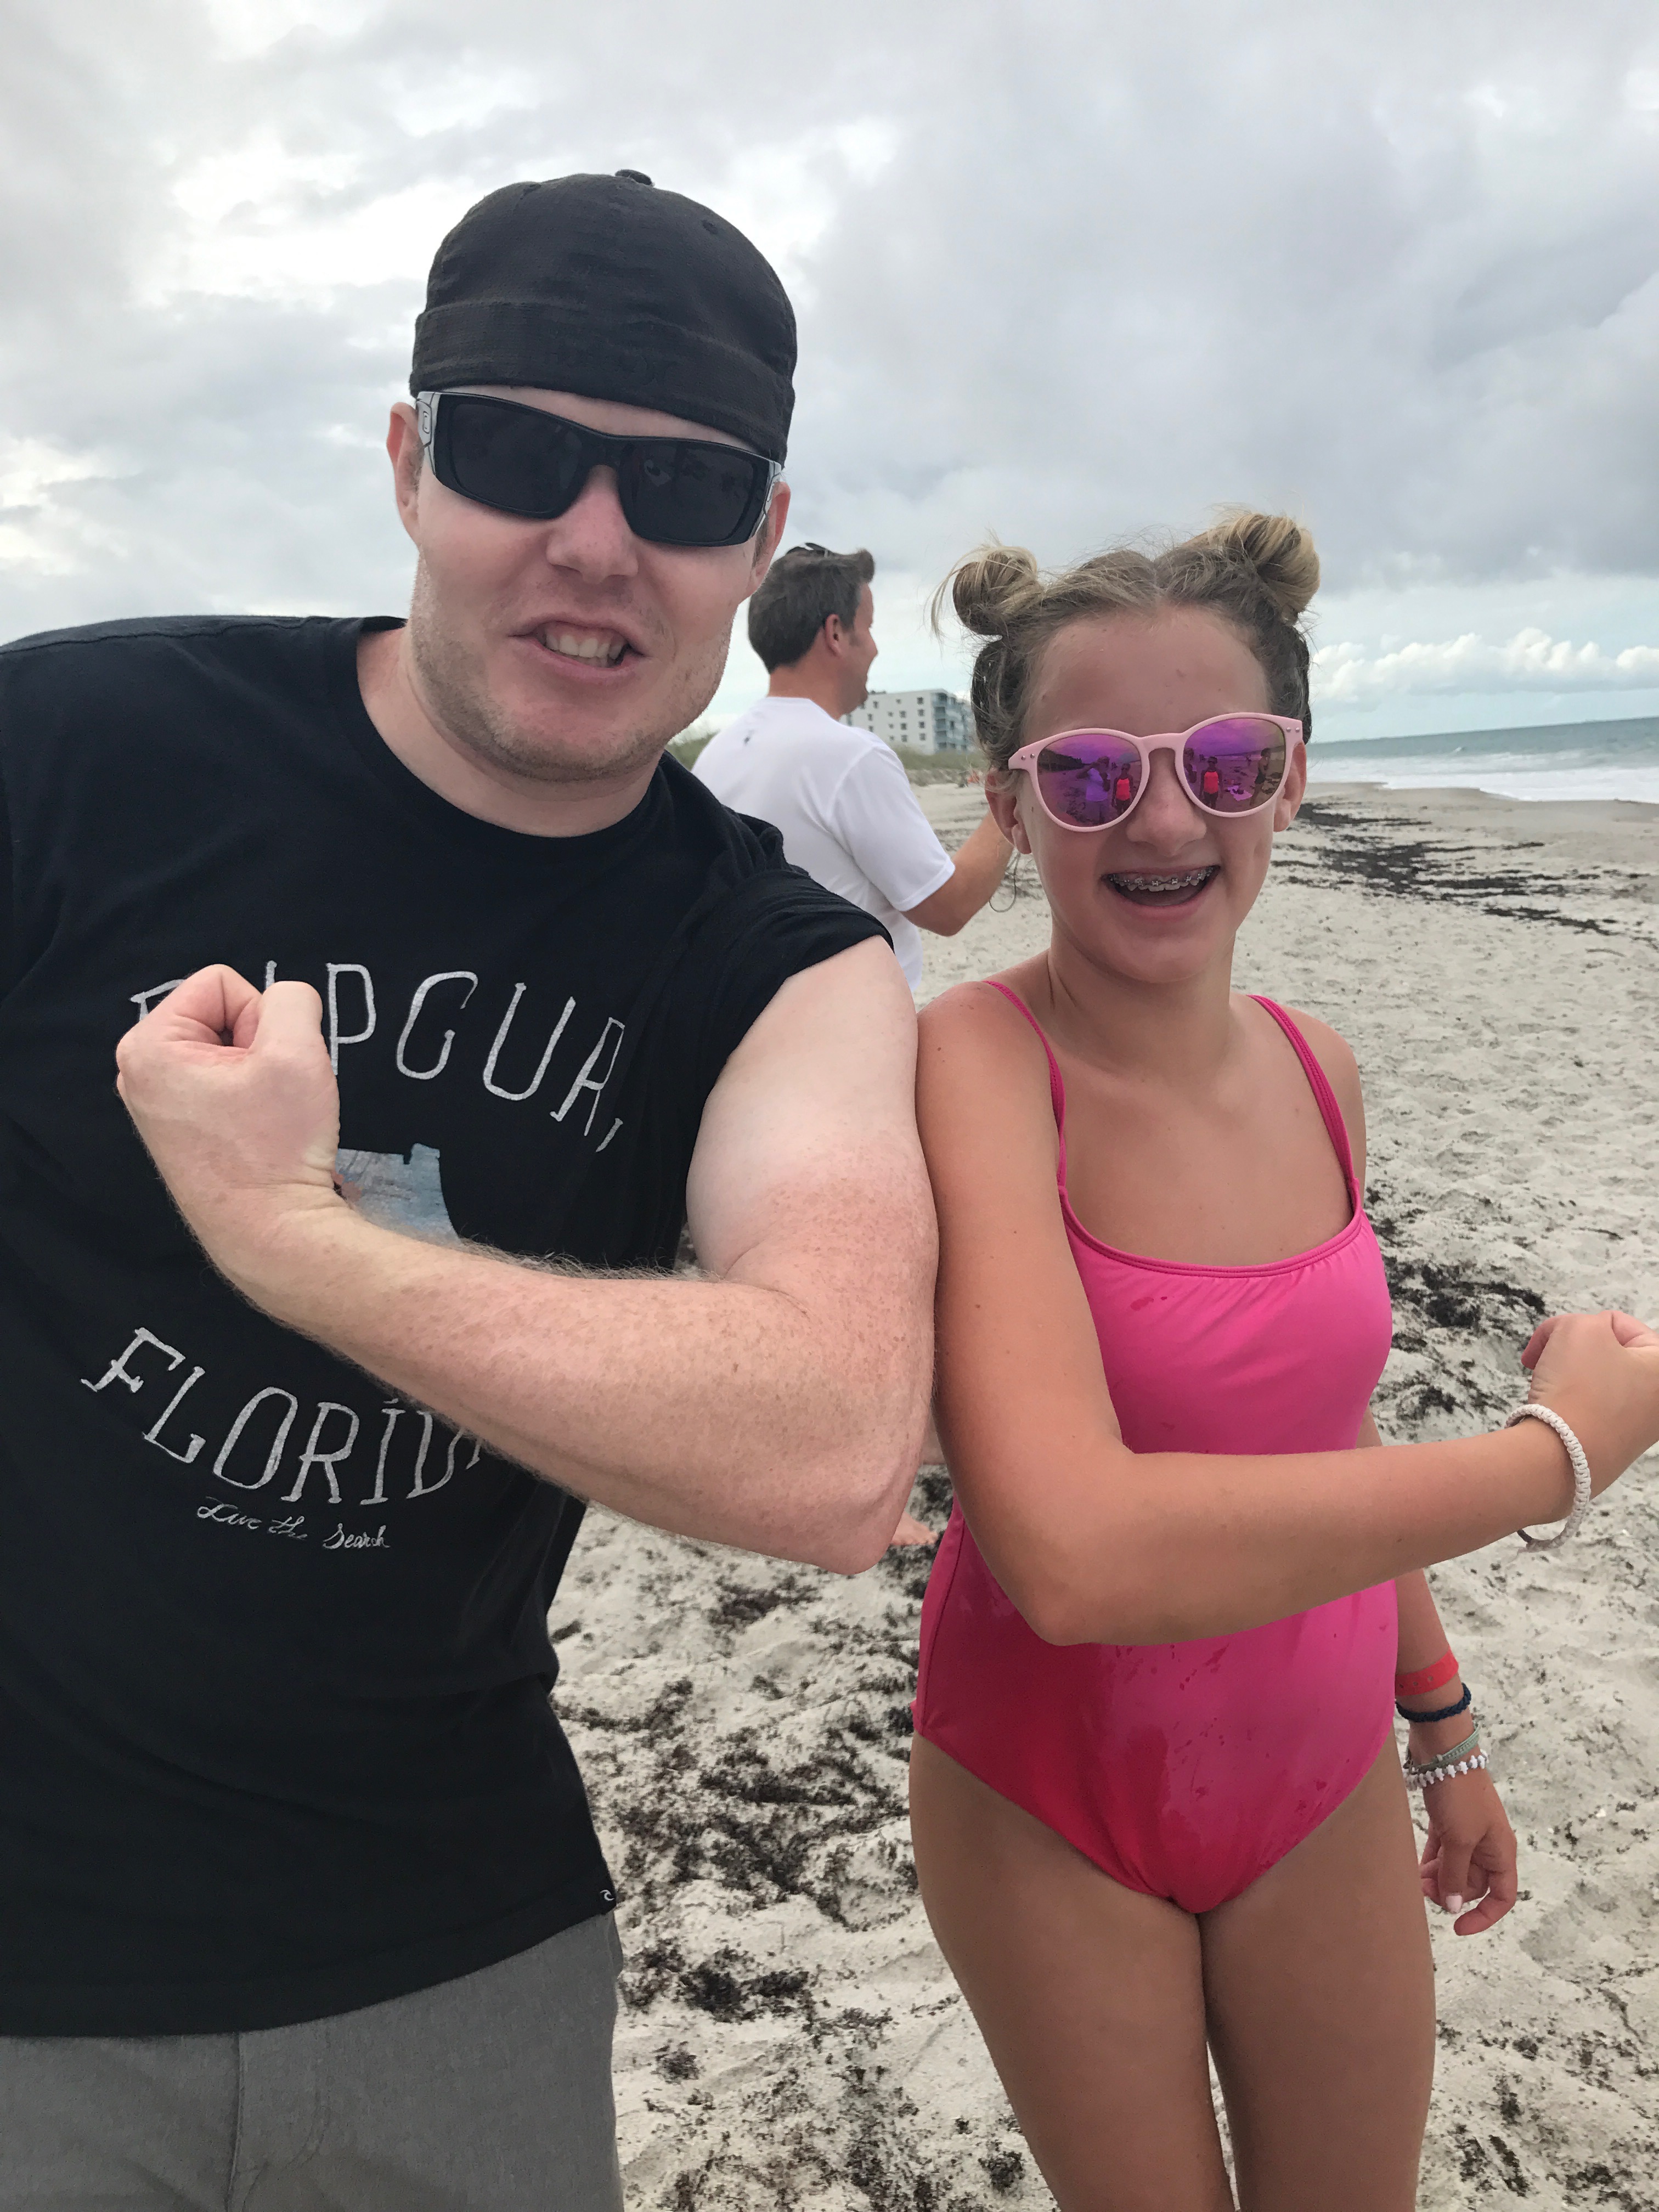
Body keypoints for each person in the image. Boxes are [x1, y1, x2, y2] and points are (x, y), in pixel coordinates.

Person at [0, 172, 935, 2209]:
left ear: (756, 539)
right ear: (412, 465)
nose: (594, 541)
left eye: (682, 486)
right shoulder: (70, 750)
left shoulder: (776, 965)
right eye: (518, 452)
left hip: (448, 1941)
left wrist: (288, 1237)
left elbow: (836, 1447)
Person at [906, 514, 1659, 2211]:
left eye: (1228, 763)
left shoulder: (1322, 1069)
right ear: (1013, 801)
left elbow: (1332, 1436)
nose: (1169, 819)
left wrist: (1441, 1717)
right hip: (1050, 1796)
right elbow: (1073, 1558)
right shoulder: (973, 1064)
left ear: (1293, 780)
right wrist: (1556, 1458)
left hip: (1320, 1771)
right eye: (1094, 775)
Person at [693, 541, 1013, 991]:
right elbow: (948, 907)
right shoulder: (850, 757)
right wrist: (1011, 796)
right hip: (852, 1017)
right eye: (870, 627)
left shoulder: (715, 754)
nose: (876, 648)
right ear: (836, 633)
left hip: (761, 1008)